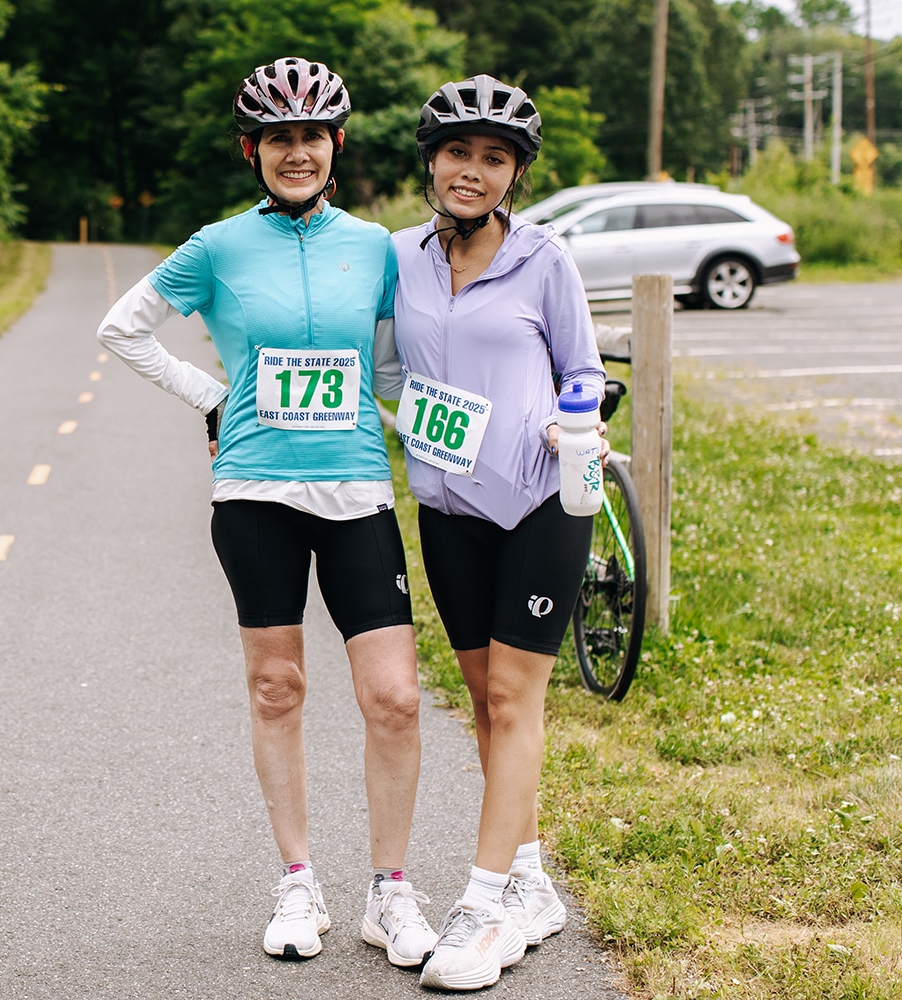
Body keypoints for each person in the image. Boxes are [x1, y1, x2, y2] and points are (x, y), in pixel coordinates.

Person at [96, 56, 437, 968]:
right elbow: (122, 330)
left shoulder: (377, 247)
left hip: (357, 487)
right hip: (254, 494)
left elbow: (397, 373)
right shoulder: (215, 246)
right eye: (279, 137)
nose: (297, 151)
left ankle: (391, 894)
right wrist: (213, 396)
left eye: (312, 135)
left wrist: (454, 438)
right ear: (254, 149)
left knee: (395, 698)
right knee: (277, 687)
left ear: (336, 145)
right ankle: (298, 882)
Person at [390, 75, 607, 991]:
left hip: (539, 504)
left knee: (516, 700)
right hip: (447, 510)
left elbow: (586, 371)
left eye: (493, 158)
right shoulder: (398, 256)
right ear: (431, 163)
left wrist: (570, 423)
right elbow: (381, 363)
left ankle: (480, 907)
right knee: (483, 701)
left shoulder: (544, 260)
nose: (471, 171)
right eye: (457, 154)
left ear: (514, 174)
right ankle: (529, 880)